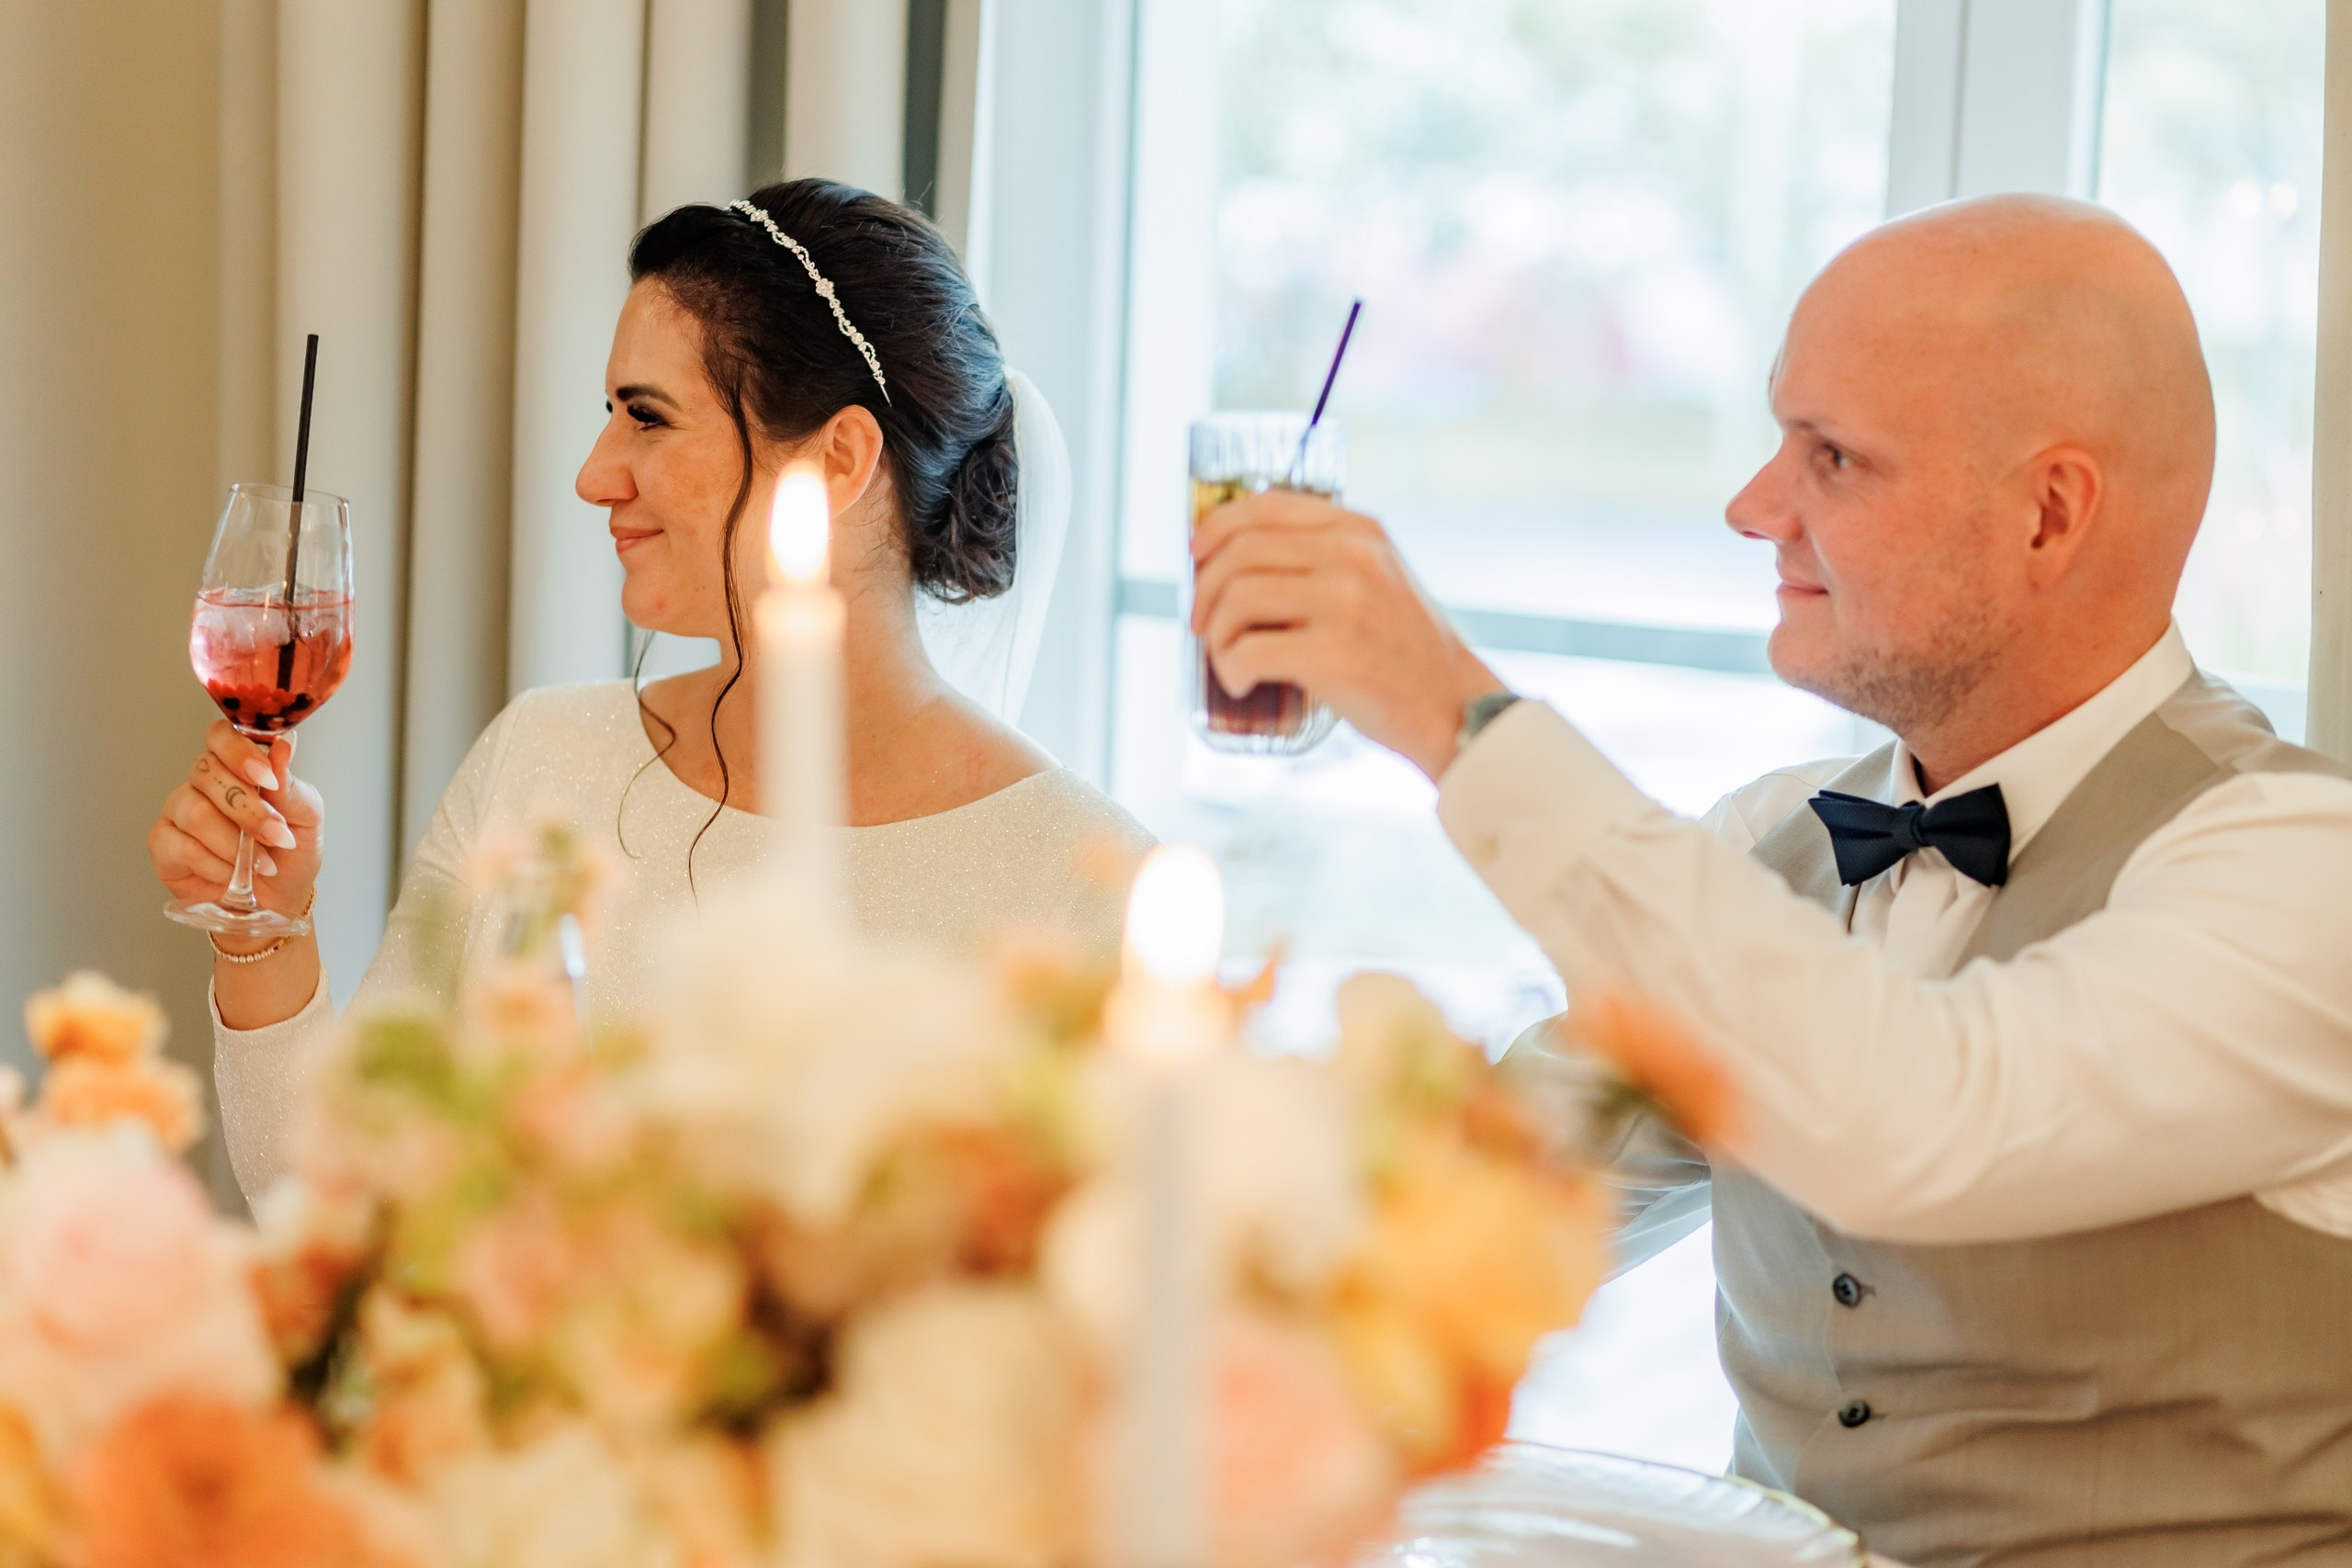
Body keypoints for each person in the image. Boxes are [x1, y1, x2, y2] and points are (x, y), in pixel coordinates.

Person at [1191, 194, 2352, 1564]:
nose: (1753, 506)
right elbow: (1468, 1209)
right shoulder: (1773, 842)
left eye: (1835, 458)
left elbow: (1920, 1114)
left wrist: (1458, 717)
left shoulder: (2298, 867)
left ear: (2050, 513)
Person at [152, 179, 1151, 1200]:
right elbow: (327, 1202)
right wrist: (263, 927)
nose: (593, 473)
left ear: (839, 457)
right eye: (609, 415)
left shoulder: (1083, 886)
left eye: (648, 418)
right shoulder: (540, 759)